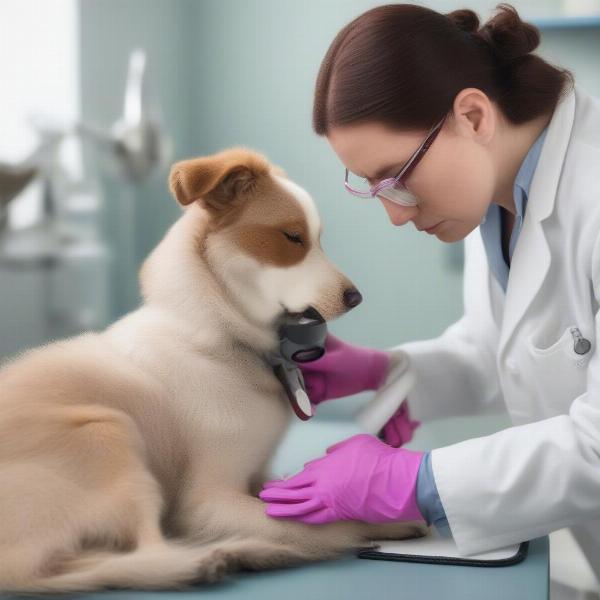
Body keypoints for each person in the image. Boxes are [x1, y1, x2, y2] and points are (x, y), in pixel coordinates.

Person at [258, 2, 600, 578]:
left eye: (398, 177)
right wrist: (392, 372)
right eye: (373, 187)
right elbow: (511, 351)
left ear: (472, 116)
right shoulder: (493, 190)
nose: (395, 213)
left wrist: (416, 483)